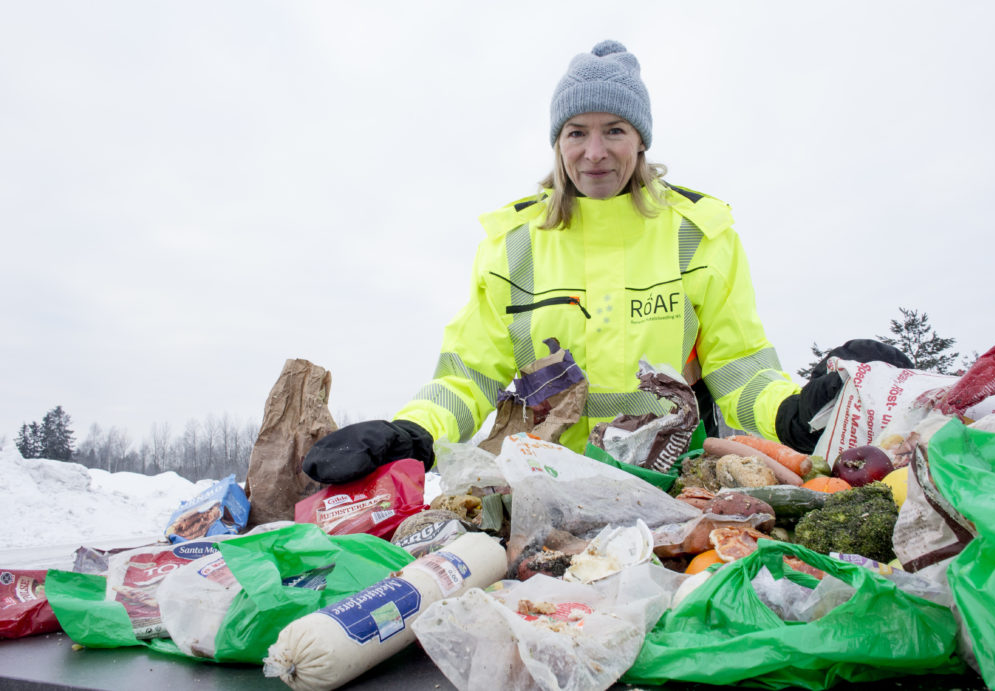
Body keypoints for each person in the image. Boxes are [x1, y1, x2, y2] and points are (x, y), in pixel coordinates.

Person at [303, 40, 909, 485]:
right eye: (576, 132)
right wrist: (412, 432)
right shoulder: (513, 243)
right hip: (549, 481)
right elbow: (468, 375)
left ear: (641, 139)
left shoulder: (701, 234)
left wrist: (793, 411)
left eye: (614, 130)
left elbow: (739, 368)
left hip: (680, 480)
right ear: (557, 141)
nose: (594, 153)